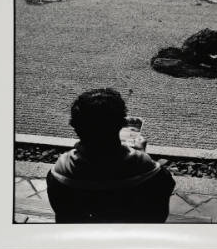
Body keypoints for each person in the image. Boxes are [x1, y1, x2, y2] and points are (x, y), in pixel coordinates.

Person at [46, 88, 175, 223]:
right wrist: (140, 155)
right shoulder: (149, 171)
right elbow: (158, 215)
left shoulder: (59, 171)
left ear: (75, 126)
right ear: (123, 124)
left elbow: (63, 215)